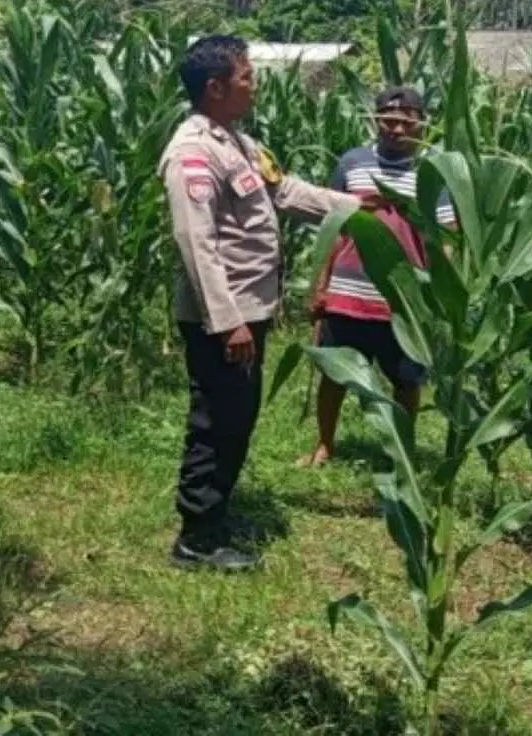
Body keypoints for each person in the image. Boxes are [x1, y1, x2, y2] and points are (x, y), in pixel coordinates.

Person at [160, 35, 362, 572]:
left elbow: (285, 191)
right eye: (247, 77)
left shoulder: (237, 143)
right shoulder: (193, 153)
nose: (254, 87)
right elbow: (197, 245)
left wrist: (358, 208)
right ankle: (196, 539)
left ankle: (216, 514)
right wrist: (227, 324)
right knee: (217, 419)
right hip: (221, 316)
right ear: (215, 87)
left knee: (238, 415)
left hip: (249, 309)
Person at [302, 86, 449, 468]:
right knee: (334, 375)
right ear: (376, 121)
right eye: (388, 120)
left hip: (403, 301)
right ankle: (325, 445)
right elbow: (331, 228)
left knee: (406, 380)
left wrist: (439, 295)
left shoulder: (435, 174)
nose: (396, 129)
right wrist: (320, 287)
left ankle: (400, 451)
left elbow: (447, 240)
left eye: (406, 121)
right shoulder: (352, 163)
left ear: (421, 123)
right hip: (347, 294)